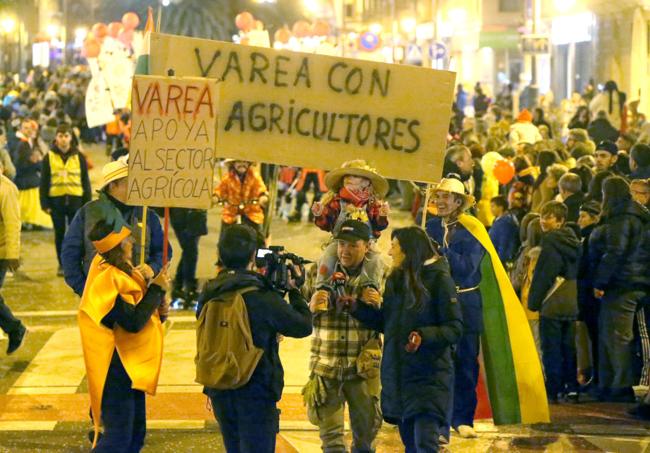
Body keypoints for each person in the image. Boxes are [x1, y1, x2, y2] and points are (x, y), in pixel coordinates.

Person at [197, 225, 312, 453]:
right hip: (255, 392)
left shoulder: (209, 292)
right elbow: (302, 326)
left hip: (219, 387)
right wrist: (295, 291)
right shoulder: (260, 296)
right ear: (254, 255)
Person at [351, 227, 462, 452]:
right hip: (399, 376)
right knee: (410, 444)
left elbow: (454, 328)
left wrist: (424, 335)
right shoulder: (396, 281)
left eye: (394, 247)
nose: (390, 253)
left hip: (428, 377)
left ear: (409, 250)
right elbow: (388, 324)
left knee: (425, 444)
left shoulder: (439, 280)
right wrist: (356, 308)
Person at [80, 219, 169, 452]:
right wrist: (157, 289)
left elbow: (140, 311)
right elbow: (133, 322)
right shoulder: (108, 280)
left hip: (130, 365)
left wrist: (157, 301)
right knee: (119, 439)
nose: (132, 242)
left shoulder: (117, 269)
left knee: (135, 435)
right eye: (126, 239)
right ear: (118, 247)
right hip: (116, 367)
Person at [305, 220, 384, 453]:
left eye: (352, 245)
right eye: (341, 245)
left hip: (362, 371)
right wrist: (310, 305)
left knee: (366, 438)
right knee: (331, 441)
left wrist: (377, 305)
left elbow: (389, 320)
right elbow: (302, 315)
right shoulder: (317, 273)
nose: (345, 251)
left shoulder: (381, 275)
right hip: (326, 367)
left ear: (367, 246)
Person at [426, 177, 484, 440]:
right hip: (437, 304)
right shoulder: (429, 227)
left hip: (467, 305)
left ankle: (463, 418)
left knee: (465, 363)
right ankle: (440, 422)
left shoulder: (473, 230)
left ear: (459, 202)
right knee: (439, 364)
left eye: (446, 197)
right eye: (437, 196)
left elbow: (467, 268)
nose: (439, 201)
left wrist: (442, 252)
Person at [61, 156, 170, 297]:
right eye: (129, 183)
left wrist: (152, 268)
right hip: (99, 298)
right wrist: (84, 289)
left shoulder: (146, 214)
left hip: (139, 296)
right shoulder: (87, 213)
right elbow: (69, 255)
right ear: (113, 185)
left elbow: (164, 251)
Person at [590, 176, 650, 402]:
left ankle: (620, 385)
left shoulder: (622, 217)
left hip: (623, 283)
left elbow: (615, 251)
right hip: (638, 280)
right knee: (613, 333)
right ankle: (609, 383)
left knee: (617, 335)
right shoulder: (638, 215)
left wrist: (600, 282)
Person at [527, 201, 580, 403]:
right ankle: (572, 388)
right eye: (541, 216)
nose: (543, 221)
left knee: (551, 347)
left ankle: (553, 389)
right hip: (570, 298)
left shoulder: (550, 241)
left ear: (559, 221)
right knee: (569, 346)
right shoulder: (574, 241)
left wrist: (534, 301)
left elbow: (545, 274)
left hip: (552, 300)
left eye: (548, 217)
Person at [39, 123, 92, 275]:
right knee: (60, 233)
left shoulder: (79, 157)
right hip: (56, 202)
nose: (63, 139)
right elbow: (44, 182)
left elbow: (85, 181)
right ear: (56, 138)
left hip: (76, 201)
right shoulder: (48, 157)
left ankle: (76, 263)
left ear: (71, 138)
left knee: (76, 234)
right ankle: (61, 265)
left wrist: (87, 204)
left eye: (66, 136)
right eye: (60, 136)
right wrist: (44, 203)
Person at [0, 162, 26, 354]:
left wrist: (12, 255)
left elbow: (12, 223)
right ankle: (14, 328)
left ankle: (14, 328)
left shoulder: (6, 189)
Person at [576, 201, 602, 390]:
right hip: (589, 294)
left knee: (596, 337)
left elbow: (586, 267)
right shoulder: (586, 237)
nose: (579, 220)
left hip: (591, 295)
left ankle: (599, 378)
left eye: (583, 216)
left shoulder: (591, 237)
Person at [214, 160, 268, 238]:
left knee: (259, 240)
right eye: (238, 162)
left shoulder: (255, 176)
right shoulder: (227, 177)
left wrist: (263, 197)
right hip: (231, 214)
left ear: (248, 163)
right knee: (224, 240)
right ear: (233, 164)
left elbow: (261, 189)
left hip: (251, 213)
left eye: (244, 162)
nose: (242, 164)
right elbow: (219, 190)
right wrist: (215, 197)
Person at [14, 119, 52, 230]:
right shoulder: (23, 144)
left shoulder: (27, 142)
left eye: (30, 128)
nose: (28, 130)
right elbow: (20, 164)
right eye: (25, 128)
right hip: (26, 181)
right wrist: (36, 162)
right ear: (21, 129)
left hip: (28, 180)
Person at [169, 207, 207, 307]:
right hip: (182, 210)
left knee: (189, 250)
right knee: (190, 250)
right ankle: (188, 287)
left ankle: (179, 286)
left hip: (195, 212)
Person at [488, 195, 520, 267]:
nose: (491, 209)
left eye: (493, 206)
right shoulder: (499, 220)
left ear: (500, 207)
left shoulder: (506, 222)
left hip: (501, 261)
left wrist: (499, 262)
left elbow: (504, 243)